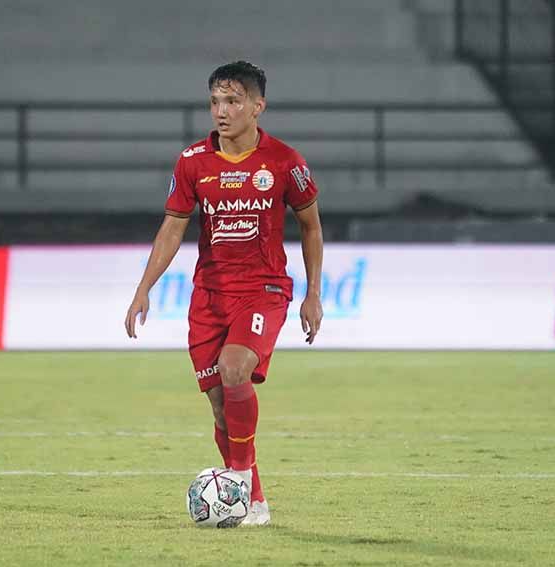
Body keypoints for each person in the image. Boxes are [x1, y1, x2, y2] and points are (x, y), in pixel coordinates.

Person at [124, 61, 323, 526]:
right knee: (218, 403)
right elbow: (172, 229)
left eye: (233, 101)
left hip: (263, 289)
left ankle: (234, 479)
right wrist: (143, 288)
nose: (222, 110)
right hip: (209, 295)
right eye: (215, 101)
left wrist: (313, 294)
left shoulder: (285, 162)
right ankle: (252, 498)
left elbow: (310, 226)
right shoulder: (193, 161)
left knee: (236, 368)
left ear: (258, 106)